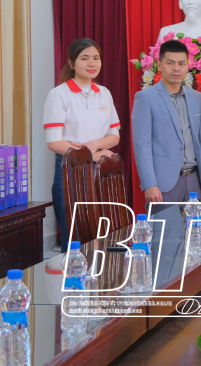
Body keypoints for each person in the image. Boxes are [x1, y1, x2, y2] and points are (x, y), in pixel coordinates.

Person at [44, 38, 119, 252]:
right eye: (84, 58)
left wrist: (94, 144)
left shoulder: (104, 93)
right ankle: (73, 274)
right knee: (75, 236)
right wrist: (92, 154)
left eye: (96, 58)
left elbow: (114, 136)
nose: (91, 63)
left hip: (102, 170)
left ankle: (100, 273)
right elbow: (54, 142)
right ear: (71, 63)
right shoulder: (59, 94)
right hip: (71, 170)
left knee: (101, 234)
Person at [131, 40, 201, 210]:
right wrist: (149, 184)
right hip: (163, 184)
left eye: (181, 63)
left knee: (194, 227)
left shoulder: (196, 98)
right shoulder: (145, 98)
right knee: (166, 227)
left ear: (188, 66)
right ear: (159, 65)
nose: (176, 68)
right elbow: (142, 145)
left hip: (194, 181)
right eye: (170, 63)